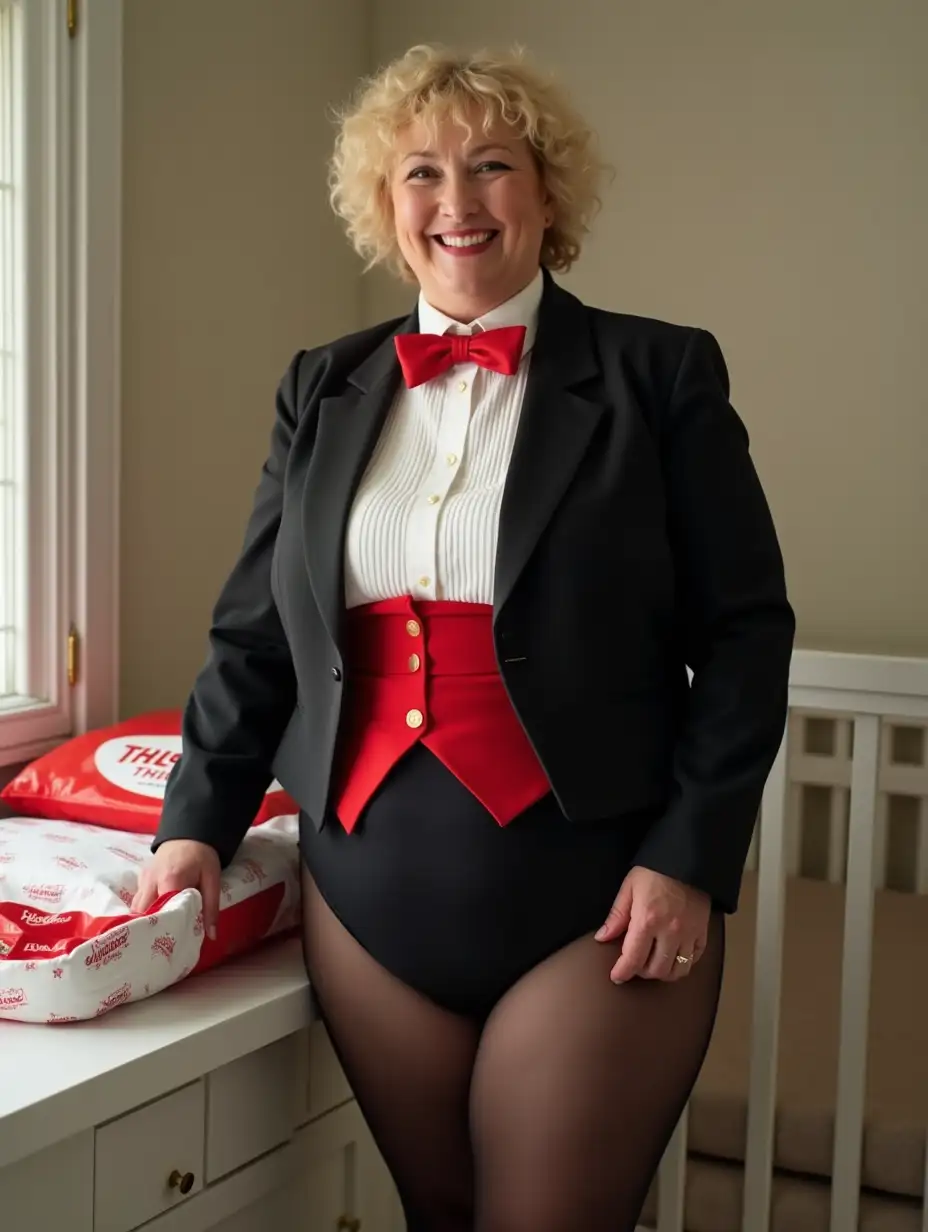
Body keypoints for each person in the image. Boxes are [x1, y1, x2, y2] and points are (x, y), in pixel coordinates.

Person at [133, 43, 795, 1232]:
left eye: (492, 165)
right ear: (386, 209)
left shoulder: (660, 373)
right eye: (422, 174)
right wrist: (196, 825)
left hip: (599, 900)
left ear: (548, 193)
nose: (458, 201)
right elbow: (254, 638)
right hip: (367, 898)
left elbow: (745, 633)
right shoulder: (318, 386)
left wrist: (691, 854)